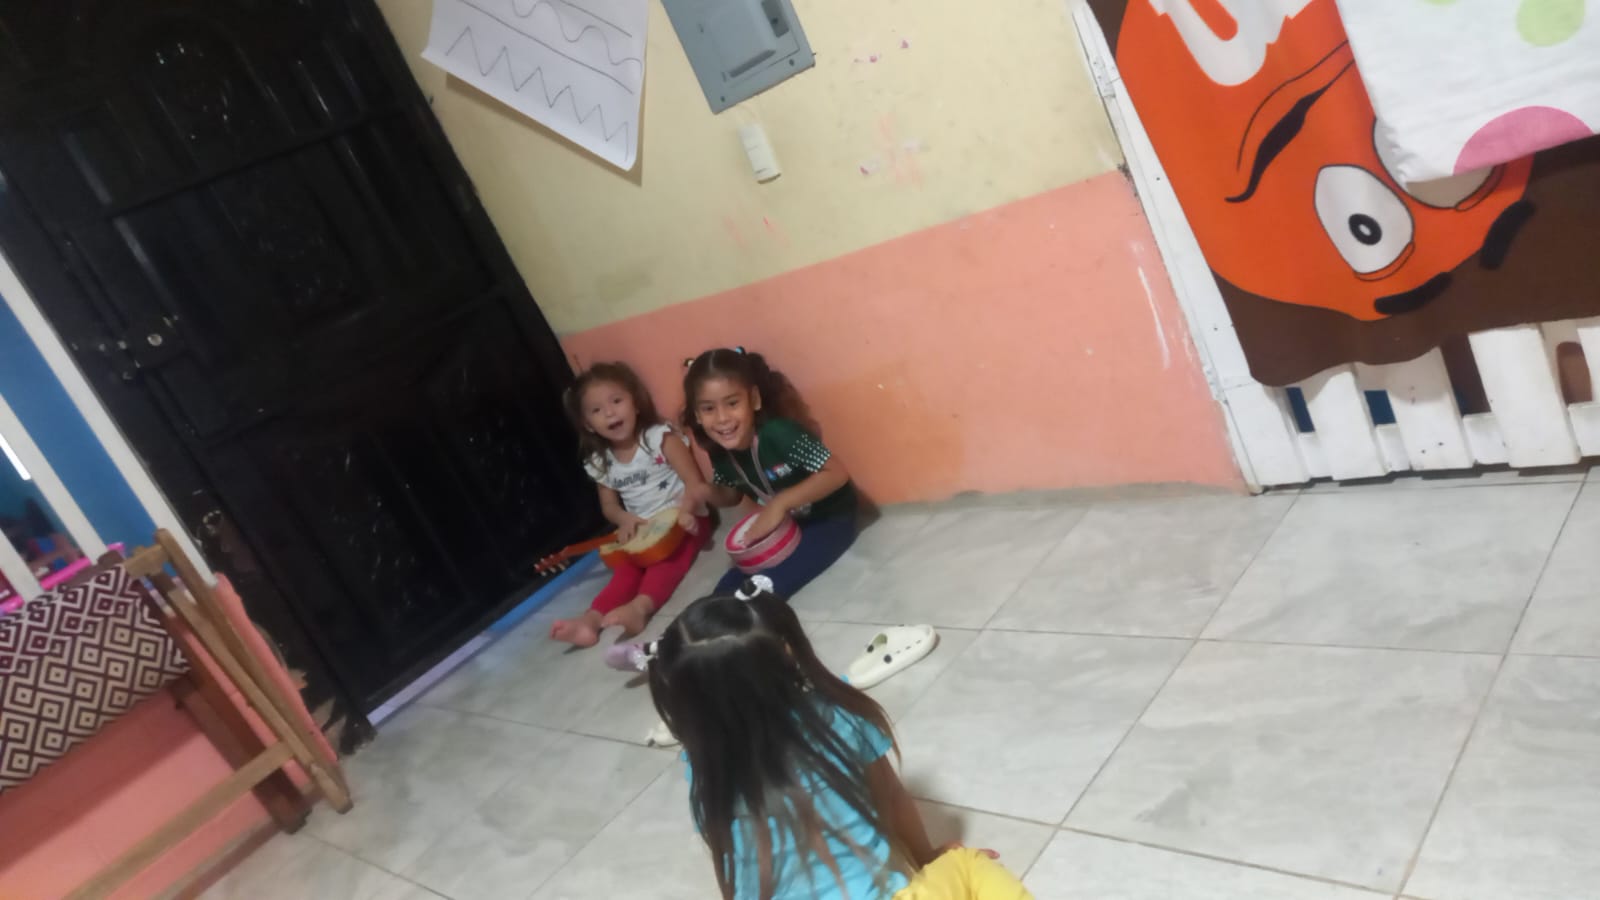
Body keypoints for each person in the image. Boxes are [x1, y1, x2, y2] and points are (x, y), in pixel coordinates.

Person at [643, 578, 1033, 900]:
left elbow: (728, 857)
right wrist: (928, 858)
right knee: (968, 864)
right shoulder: (837, 716)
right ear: (786, 652)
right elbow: (892, 799)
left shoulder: (700, 767)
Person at [550, 363, 713, 647]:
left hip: (686, 518)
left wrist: (687, 511)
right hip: (644, 530)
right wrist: (624, 519)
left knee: (665, 561)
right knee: (626, 568)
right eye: (597, 410)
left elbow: (694, 482)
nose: (610, 413)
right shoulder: (602, 462)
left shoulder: (659, 438)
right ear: (588, 424)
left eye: (616, 401)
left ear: (635, 403)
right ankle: (590, 621)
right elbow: (609, 506)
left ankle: (640, 608)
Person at [683, 347, 858, 597]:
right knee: (729, 583)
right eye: (708, 409)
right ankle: (712, 611)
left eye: (732, 403)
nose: (722, 418)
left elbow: (836, 474)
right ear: (697, 415)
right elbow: (731, 494)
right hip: (788, 525)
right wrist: (705, 492)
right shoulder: (719, 452)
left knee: (770, 582)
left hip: (830, 518)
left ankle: (742, 611)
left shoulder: (780, 434)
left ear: (754, 399)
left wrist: (779, 504)